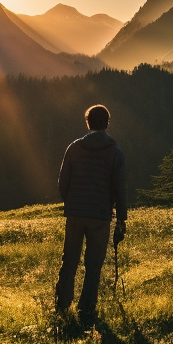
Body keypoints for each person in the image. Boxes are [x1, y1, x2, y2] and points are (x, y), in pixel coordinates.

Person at [55, 104, 127, 324]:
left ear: (88, 123)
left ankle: (62, 309)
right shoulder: (115, 152)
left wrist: (72, 202)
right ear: (106, 123)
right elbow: (119, 188)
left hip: (75, 214)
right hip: (100, 215)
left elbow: (62, 183)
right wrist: (121, 220)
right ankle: (86, 311)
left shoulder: (74, 148)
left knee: (69, 262)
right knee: (93, 265)